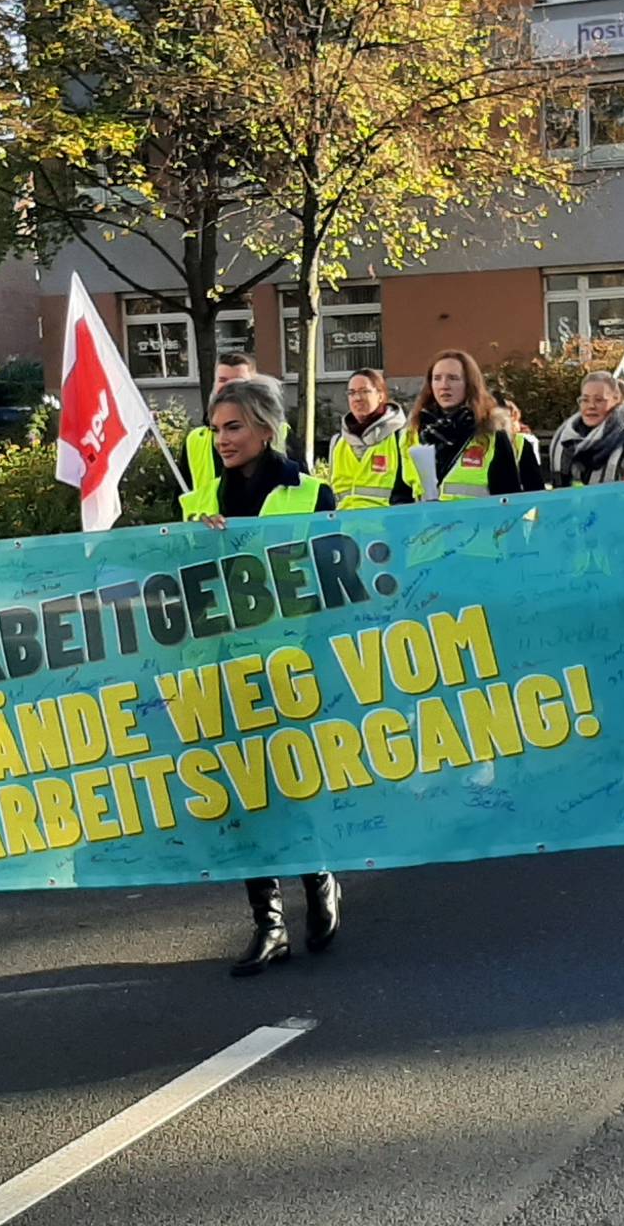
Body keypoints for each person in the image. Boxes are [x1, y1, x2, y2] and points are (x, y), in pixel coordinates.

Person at [187, 376, 342, 974]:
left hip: (292, 662)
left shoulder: (310, 494)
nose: (222, 439)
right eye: (216, 428)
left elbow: (334, 578)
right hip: (225, 664)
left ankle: (319, 875)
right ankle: (268, 921)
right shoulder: (201, 498)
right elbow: (180, 585)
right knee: (243, 791)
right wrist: (194, 548)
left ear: (265, 429)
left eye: (234, 426)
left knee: (291, 780)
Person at [415, 350, 544, 499]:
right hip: (426, 522)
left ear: (470, 384)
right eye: (437, 378)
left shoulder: (493, 436)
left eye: (453, 378)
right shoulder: (413, 434)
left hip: (478, 522)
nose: (444, 385)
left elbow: (508, 502)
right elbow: (399, 496)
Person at [180, 354, 278, 512]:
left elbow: (301, 492)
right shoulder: (194, 440)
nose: (230, 387)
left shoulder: (282, 434)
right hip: (211, 533)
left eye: (239, 382)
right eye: (223, 380)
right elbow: (182, 500)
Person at [327, 369, 420, 508]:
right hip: (345, 528)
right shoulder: (337, 442)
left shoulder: (401, 437)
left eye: (364, 391)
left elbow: (419, 492)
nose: (357, 398)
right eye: (351, 393)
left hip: (388, 528)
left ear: (381, 395)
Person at [552, 371, 624, 485]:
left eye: (599, 400)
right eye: (585, 400)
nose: (591, 406)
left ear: (617, 402)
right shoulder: (566, 439)